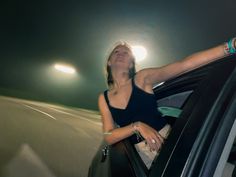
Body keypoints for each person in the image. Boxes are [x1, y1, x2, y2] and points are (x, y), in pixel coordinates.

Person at [98, 37, 236, 169]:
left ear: (131, 63)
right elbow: (109, 135)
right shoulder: (104, 98)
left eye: (126, 52)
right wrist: (137, 126)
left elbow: (183, 65)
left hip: (168, 143)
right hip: (139, 157)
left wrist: (229, 47)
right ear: (109, 61)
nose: (121, 54)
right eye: (116, 51)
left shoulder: (142, 78)